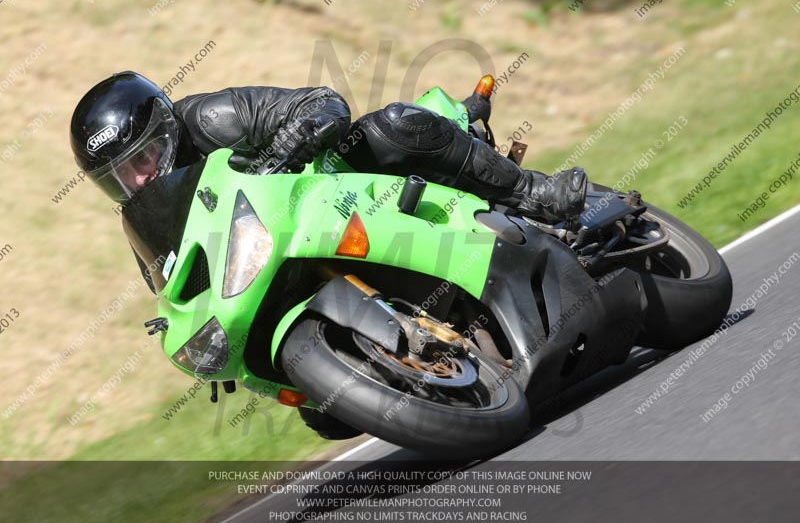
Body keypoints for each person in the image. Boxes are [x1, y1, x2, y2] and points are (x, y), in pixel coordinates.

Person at [69, 71, 587, 440]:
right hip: (275, 256)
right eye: (117, 177)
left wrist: (289, 142)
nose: (136, 180)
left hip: (328, 184)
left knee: (392, 125)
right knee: (326, 417)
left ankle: (532, 192)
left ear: (165, 129)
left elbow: (321, 102)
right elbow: (171, 283)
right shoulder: (143, 218)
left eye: (141, 158)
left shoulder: (210, 117)